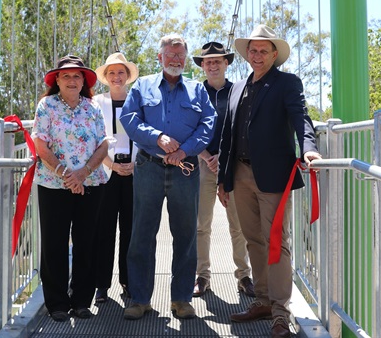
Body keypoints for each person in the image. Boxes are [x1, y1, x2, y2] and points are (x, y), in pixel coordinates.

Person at [217, 25, 322, 338]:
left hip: (274, 177)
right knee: (254, 241)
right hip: (240, 173)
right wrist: (224, 178)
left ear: (275, 54)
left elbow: (301, 118)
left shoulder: (287, 83)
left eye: (264, 50)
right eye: (253, 50)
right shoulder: (236, 87)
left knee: (276, 243)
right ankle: (262, 300)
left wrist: (310, 149)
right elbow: (228, 135)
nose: (257, 55)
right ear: (246, 53)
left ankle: (280, 314)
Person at [119, 34, 217, 320]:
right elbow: (129, 119)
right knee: (142, 234)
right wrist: (158, 137)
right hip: (149, 166)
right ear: (159, 57)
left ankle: (182, 299)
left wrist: (185, 149)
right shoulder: (142, 85)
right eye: (170, 55)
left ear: (185, 60)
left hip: (185, 170)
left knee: (186, 235)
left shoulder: (198, 90)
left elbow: (208, 125)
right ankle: (139, 299)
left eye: (180, 55)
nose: (175, 59)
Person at [32, 55, 110, 322]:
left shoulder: (93, 108)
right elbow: (41, 146)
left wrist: (83, 173)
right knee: (54, 243)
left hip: (91, 183)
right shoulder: (47, 106)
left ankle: (81, 301)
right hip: (54, 184)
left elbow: (103, 144)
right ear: (57, 80)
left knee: (86, 243)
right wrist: (68, 175)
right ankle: (57, 303)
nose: (72, 80)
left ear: (84, 81)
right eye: (66, 75)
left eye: (77, 76)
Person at [191, 42, 253, 298]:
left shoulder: (240, 91)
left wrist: (225, 157)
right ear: (203, 66)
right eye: (208, 61)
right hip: (203, 164)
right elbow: (188, 129)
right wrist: (206, 156)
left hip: (233, 166)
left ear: (227, 63)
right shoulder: (194, 93)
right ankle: (202, 276)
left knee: (238, 224)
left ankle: (244, 276)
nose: (213, 65)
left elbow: (244, 128)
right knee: (201, 224)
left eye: (218, 61)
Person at [93, 52, 139, 303]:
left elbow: (144, 135)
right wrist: (109, 163)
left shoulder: (138, 100)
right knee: (104, 229)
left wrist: (135, 164)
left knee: (130, 230)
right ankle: (101, 285)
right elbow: (92, 138)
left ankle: (128, 282)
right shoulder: (96, 103)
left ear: (128, 76)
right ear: (106, 77)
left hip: (133, 171)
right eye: (111, 72)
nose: (116, 76)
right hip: (105, 172)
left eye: (121, 72)